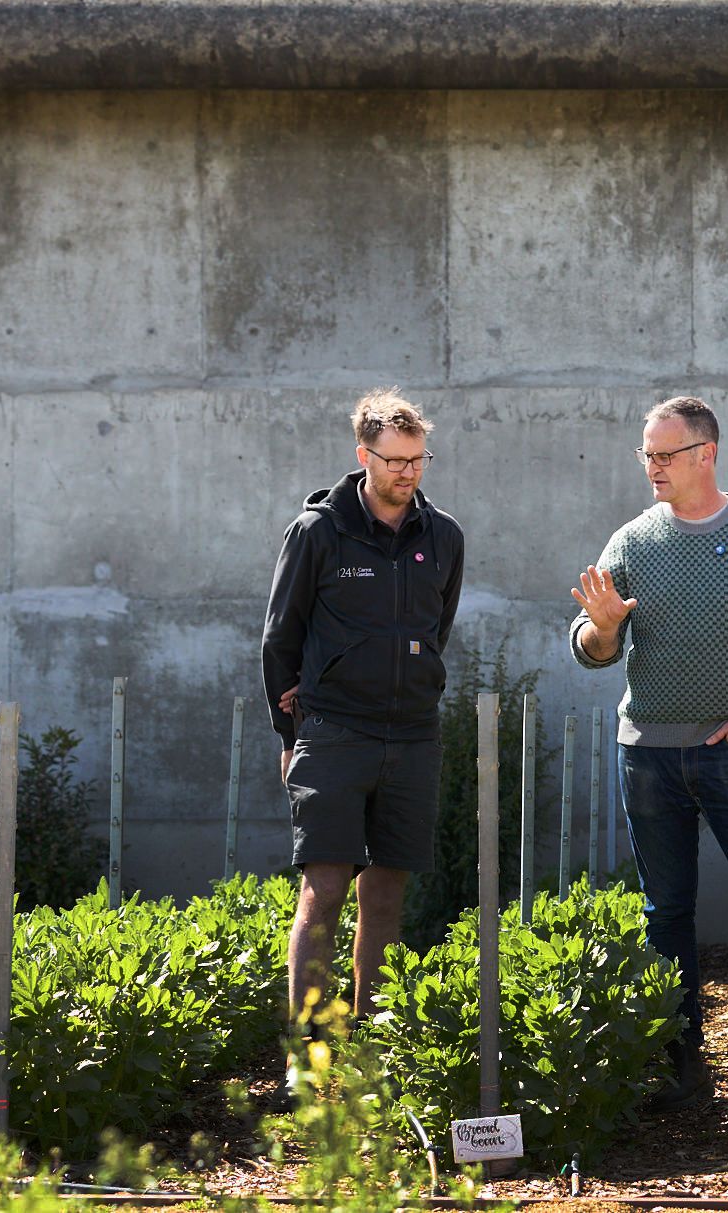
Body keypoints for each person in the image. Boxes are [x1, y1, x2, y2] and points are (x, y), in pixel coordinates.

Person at [569, 395, 728, 1112]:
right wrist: (604, 629)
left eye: (664, 454)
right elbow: (592, 649)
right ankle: (681, 1066)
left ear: (706, 454)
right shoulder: (632, 541)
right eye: (646, 454)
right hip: (646, 755)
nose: (652, 466)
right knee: (665, 911)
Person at [262, 388, 464, 1034]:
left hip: (411, 736)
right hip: (334, 733)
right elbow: (279, 637)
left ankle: (373, 1044)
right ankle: (306, 1051)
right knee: (323, 891)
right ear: (364, 455)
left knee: (386, 896)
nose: (407, 471)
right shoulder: (318, 531)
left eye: (418, 459)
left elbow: (438, 629)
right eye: (395, 459)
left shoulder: (445, 537)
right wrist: (289, 732)